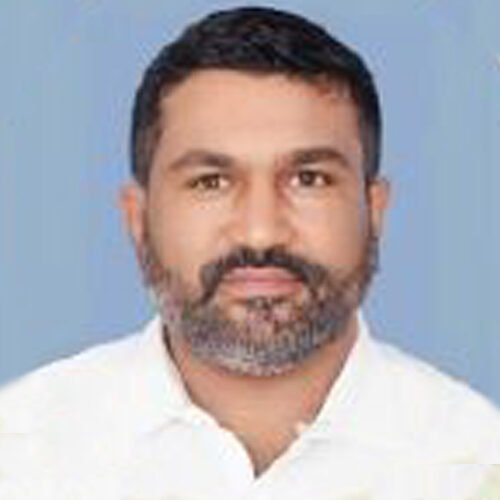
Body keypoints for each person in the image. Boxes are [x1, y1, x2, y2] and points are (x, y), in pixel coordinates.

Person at [1, 6, 499, 500]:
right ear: (138, 218)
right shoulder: (20, 455)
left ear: (375, 210)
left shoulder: (477, 461)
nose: (261, 232)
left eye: (309, 179)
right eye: (211, 182)